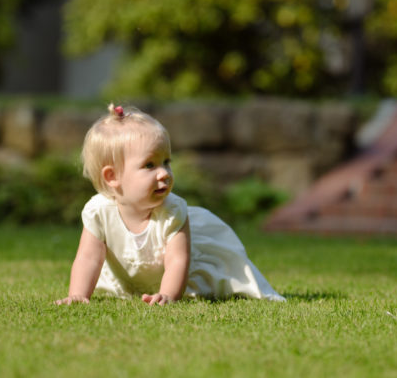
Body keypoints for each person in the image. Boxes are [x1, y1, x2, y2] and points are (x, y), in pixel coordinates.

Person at [55, 104, 285, 306]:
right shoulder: (98, 211)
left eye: (166, 162)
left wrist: (168, 294)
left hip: (180, 277)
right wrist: (78, 295)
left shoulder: (172, 211)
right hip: (129, 276)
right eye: (149, 165)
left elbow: (177, 260)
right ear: (112, 176)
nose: (164, 173)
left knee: (213, 283)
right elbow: (88, 258)